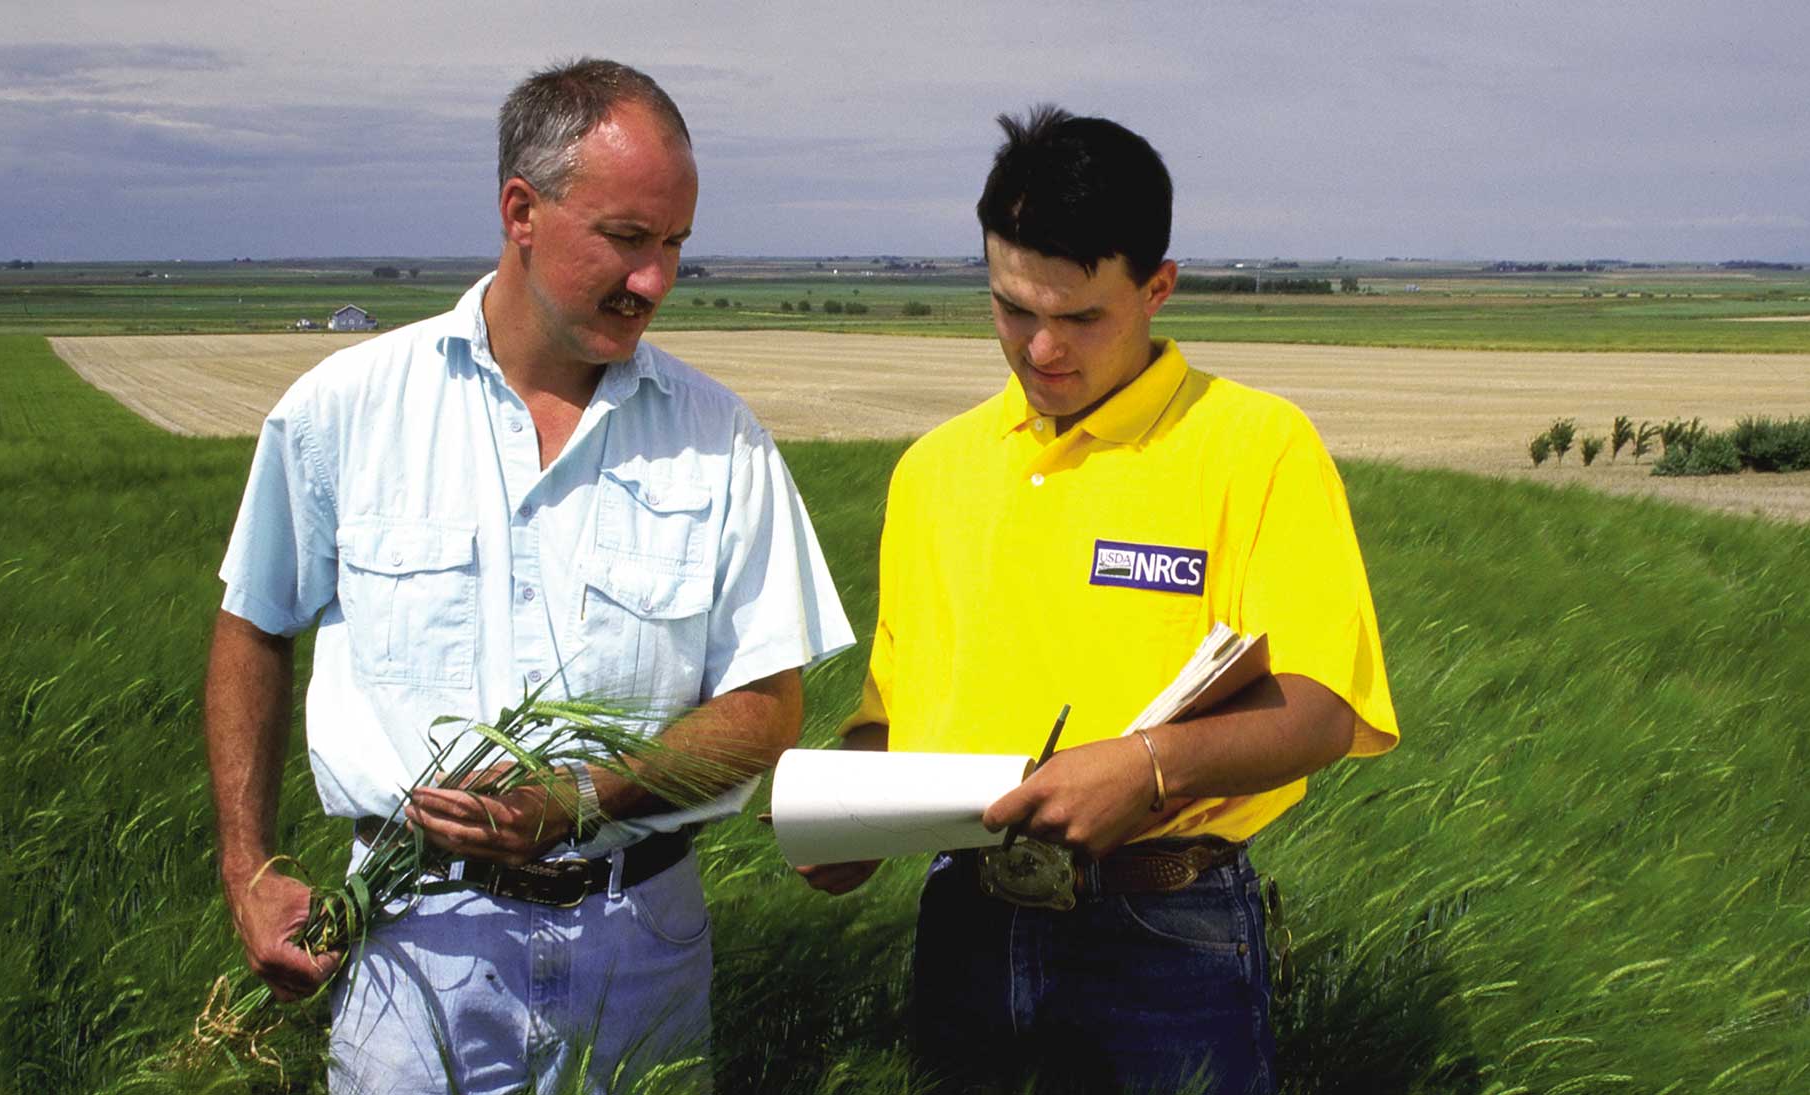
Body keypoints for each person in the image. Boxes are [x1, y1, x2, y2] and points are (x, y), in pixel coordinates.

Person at [206, 58, 852, 1093]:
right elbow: (253, 626)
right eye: (628, 240)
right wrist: (249, 867)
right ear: (521, 210)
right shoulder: (344, 409)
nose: (656, 281)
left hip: (641, 945)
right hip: (410, 952)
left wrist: (580, 801)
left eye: (676, 244)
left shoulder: (718, 439)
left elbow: (765, 709)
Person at [797, 107, 1399, 1093]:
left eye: (1082, 317)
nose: (1041, 350)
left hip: (1169, 929)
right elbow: (896, 718)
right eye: (1012, 309)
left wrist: (1147, 768)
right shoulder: (934, 473)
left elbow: (1325, 707)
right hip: (964, 921)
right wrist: (846, 816)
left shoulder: (1255, 446)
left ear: (1157, 287)